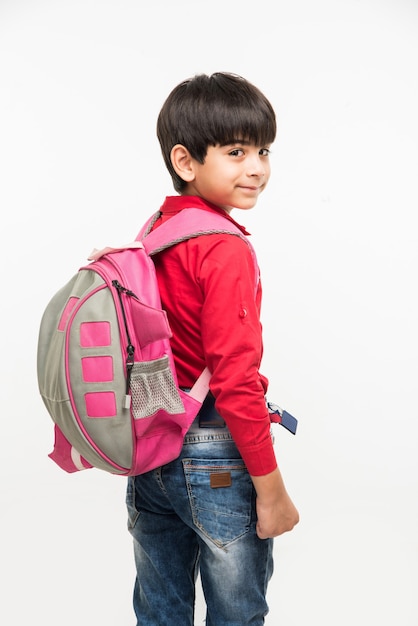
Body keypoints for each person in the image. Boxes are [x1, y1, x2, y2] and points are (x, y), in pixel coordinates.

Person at [126, 72, 299, 626]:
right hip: (215, 455)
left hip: (149, 450)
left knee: (159, 609)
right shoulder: (223, 249)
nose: (257, 167)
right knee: (236, 614)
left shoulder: (154, 234)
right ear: (185, 161)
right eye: (236, 151)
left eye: (263, 149)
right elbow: (235, 379)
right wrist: (272, 493)